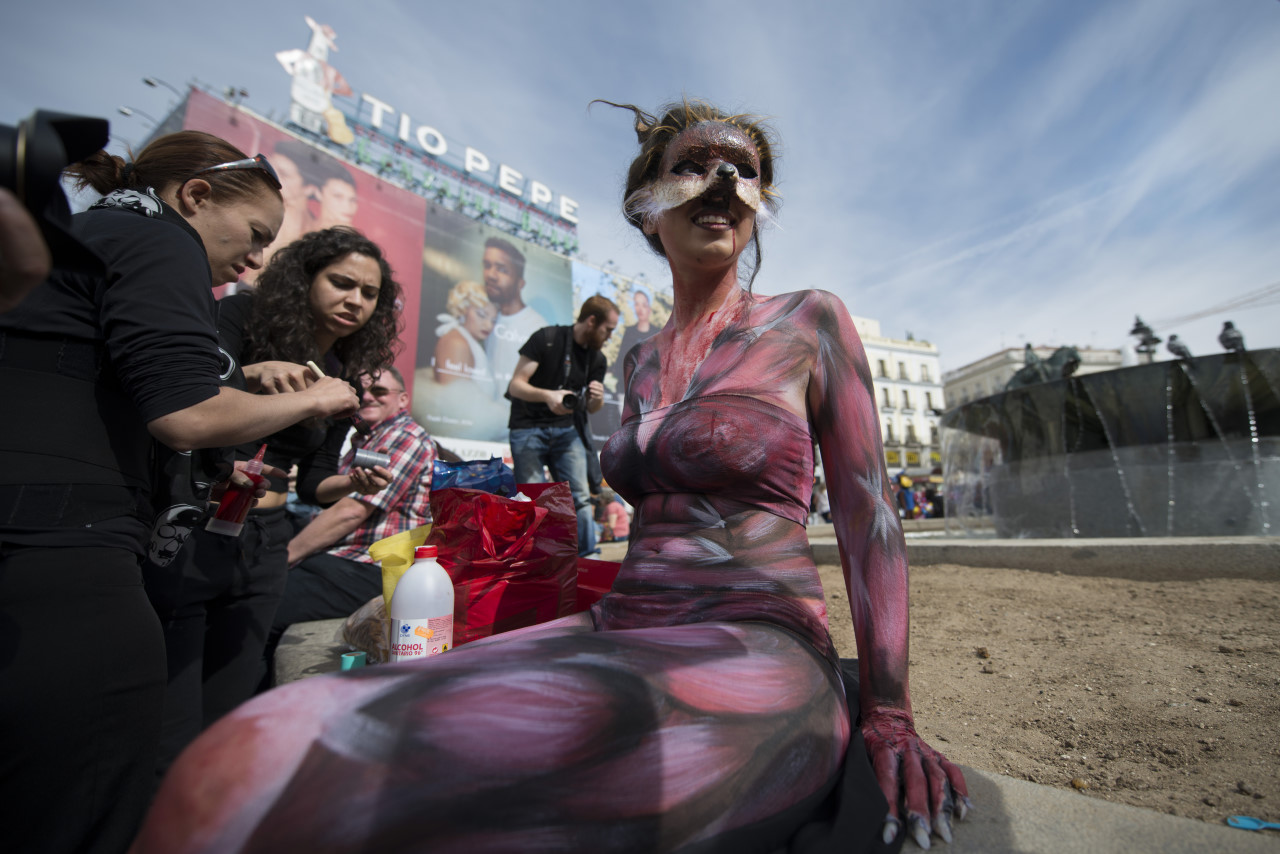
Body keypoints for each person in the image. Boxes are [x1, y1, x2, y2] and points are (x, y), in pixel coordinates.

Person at [137, 100, 968, 853]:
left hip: (756, 639)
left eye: (744, 170)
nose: (722, 181)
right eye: (694, 165)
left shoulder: (809, 319)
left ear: (760, 204)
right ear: (647, 207)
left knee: (311, 788)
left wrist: (890, 711)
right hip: (620, 622)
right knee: (249, 748)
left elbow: (869, 517)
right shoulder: (637, 361)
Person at [0, 130, 361, 854]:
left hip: (37, 540)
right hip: (70, 549)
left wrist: (246, 381)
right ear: (195, 196)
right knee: (97, 794)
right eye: (255, 233)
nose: (256, 257)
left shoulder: (98, 233)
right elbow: (186, 415)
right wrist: (316, 398)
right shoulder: (162, 243)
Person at [154, 226, 402, 777]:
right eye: (341, 283)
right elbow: (181, 403)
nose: (355, 301)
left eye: (369, 294)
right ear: (305, 278)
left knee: (233, 705)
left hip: (266, 543)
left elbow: (312, 480)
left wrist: (351, 486)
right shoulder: (240, 321)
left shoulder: (341, 374)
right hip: (195, 529)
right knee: (171, 716)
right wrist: (250, 375)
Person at [263, 366, 435, 681]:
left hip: (371, 567)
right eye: (362, 391)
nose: (368, 396)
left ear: (402, 400)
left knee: (263, 605)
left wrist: (284, 557)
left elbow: (350, 512)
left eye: (380, 391)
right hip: (342, 561)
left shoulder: (403, 435)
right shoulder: (366, 440)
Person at [506, 294, 619, 557]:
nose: (610, 336)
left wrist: (598, 400)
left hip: (567, 431)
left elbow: (591, 408)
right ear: (592, 321)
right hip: (527, 428)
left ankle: (587, 557)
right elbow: (515, 385)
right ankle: (535, 560)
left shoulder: (597, 359)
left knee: (578, 497)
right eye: (608, 329)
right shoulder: (547, 338)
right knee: (532, 501)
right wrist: (548, 395)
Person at [481, 235, 546, 397]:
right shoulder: (479, 316)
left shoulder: (538, 328)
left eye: (502, 269)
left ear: (520, 283)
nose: (491, 275)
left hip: (515, 418)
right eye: (487, 265)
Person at [433, 278, 495, 389]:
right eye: (481, 315)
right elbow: (453, 401)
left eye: (493, 320)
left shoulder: (466, 341)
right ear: (463, 309)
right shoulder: (457, 344)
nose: (489, 325)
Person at [608, 286, 662, 393]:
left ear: (649, 308)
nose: (640, 308)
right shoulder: (629, 332)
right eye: (636, 304)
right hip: (626, 390)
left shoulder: (658, 334)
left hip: (649, 392)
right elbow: (621, 360)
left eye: (643, 304)